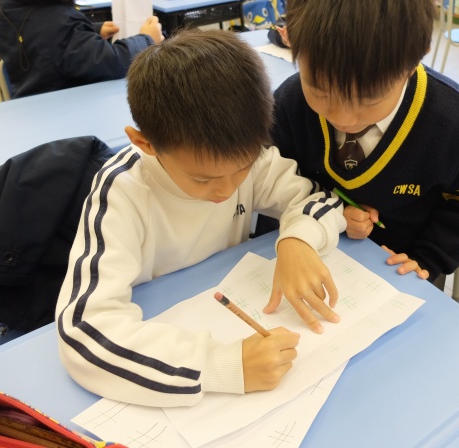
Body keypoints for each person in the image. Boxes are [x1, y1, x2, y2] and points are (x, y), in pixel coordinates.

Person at [56, 28, 347, 407]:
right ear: (145, 143)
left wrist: (298, 239)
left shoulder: (249, 156)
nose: (226, 190)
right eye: (202, 179)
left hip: (217, 297)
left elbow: (318, 198)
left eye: (241, 169)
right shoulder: (122, 192)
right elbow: (83, 333)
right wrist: (222, 366)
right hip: (164, 328)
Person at [267, 0, 459, 292]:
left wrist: (429, 257)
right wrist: (332, 211)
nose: (343, 118)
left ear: (412, 62)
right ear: (290, 41)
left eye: (369, 99)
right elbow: (273, 178)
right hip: (311, 253)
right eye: (320, 92)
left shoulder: (455, 121)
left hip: (403, 273)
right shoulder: (289, 104)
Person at [0, 0, 163, 99]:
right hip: (66, 105)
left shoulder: (5, 5)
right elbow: (112, 61)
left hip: (28, 97)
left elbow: (43, 36)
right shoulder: (61, 23)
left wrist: (92, 30)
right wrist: (147, 40)